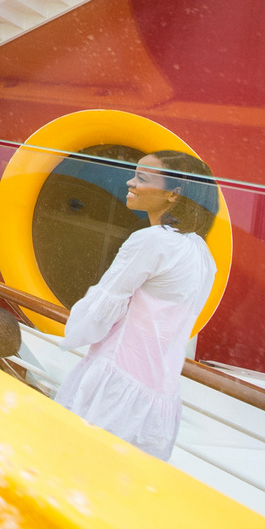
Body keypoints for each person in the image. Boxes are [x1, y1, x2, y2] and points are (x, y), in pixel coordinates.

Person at [55, 151, 219, 460]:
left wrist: (72, 333)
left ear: (173, 194)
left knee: (75, 466)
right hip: (160, 397)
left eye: (142, 178)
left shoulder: (153, 240)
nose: (130, 182)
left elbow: (101, 307)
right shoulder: (201, 252)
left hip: (117, 384)